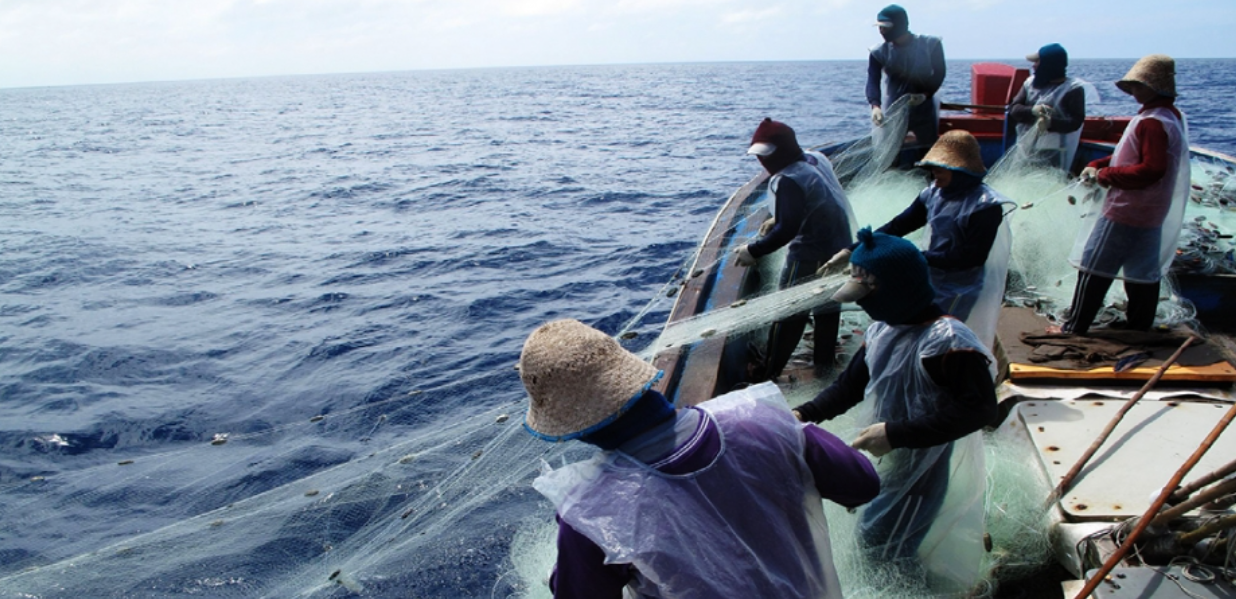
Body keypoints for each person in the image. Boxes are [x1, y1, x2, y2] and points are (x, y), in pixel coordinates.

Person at [521, 318, 879, 599]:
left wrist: (566, 572)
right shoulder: (763, 417)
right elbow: (862, 484)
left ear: (572, 428)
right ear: (637, 380)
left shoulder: (592, 512)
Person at [795, 228, 997, 589]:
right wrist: (803, 413)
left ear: (895, 289)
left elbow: (979, 409)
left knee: (880, 549)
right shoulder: (883, 330)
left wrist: (895, 434)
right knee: (878, 541)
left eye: (865, 295)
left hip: (919, 472)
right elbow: (849, 387)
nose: (861, 304)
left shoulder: (947, 343)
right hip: (890, 457)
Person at [820, 130, 1011, 349]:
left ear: (960, 170)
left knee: (943, 338)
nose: (934, 176)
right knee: (917, 334)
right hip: (931, 277)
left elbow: (971, 257)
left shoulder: (985, 206)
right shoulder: (933, 193)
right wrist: (854, 249)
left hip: (962, 286)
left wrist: (912, 258)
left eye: (940, 171)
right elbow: (899, 225)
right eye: (933, 171)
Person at [1054, 54, 1189, 335]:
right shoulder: (1170, 117)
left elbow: (1152, 169)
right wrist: (1098, 164)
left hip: (1125, 209)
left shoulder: (1151, 122)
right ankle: (1139, 328)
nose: (1134, 92)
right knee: (1142, 273)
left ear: (1154, 87)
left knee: (1094, 266)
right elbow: (1129, 158)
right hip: (1152, 212)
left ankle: (1075, 327)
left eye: (1138, 86)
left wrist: (1105, 177)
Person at [734, 118, 856, 379]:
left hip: (809, 253)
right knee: (827, 307)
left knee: (790, 311)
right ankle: (824, 367)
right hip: (839, 246)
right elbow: (811, 202)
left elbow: (787, 230)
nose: (762, 162)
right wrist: (777, 218)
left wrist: (753, 251)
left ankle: (770, 370)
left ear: (783, 151)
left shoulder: (785, 180)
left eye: (766, 155)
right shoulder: (813, 160)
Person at [867, 4, 946, 146]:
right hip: (894, 110)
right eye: (879, 27)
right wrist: (875, 105)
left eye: (885, 26)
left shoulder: (930, 44)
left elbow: (939, 72)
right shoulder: (878, 52)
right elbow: (873, 80)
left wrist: (926, 94)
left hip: (924, 109)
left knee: (927, 150)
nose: (881, 30)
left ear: (899, 25)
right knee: (891, 153)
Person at [1005, 43, 1090, 171]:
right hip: (1025, 147)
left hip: (1055, 150)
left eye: (1037, 62)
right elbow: (1014, 109)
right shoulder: (1029, 84)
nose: (1033, 66)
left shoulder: (1072, 89)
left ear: (1048, 65)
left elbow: (1075, 122)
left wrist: (1050, 123)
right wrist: (1033, 111)